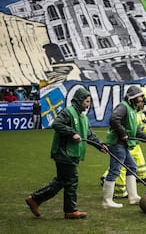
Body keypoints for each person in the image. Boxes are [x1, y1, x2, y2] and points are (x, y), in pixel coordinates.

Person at [25, 87, 109, 219]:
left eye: (89, 102)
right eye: (87, 102)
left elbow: (89, 135)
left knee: (61, 181)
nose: (88, 105)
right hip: (64, 153)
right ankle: (70, 210)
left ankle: (35, 199)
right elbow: (56, 124)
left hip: (70, 154)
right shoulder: (68, 112)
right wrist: (72, 133)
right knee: (71, 180)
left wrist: (101, 145)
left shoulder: (83, 117)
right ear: (80, 100)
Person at [99, 87, 146, 198]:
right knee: (115, 170)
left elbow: (136, 130)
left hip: (123, 144)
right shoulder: (123, 106)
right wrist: (123, 134)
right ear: (133, 97)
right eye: (140, 97)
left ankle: (133, 197)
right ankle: (107, 200)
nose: (142, 100)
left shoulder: (132, 110)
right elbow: (113, 119)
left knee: (132, 166)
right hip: (117, 143)